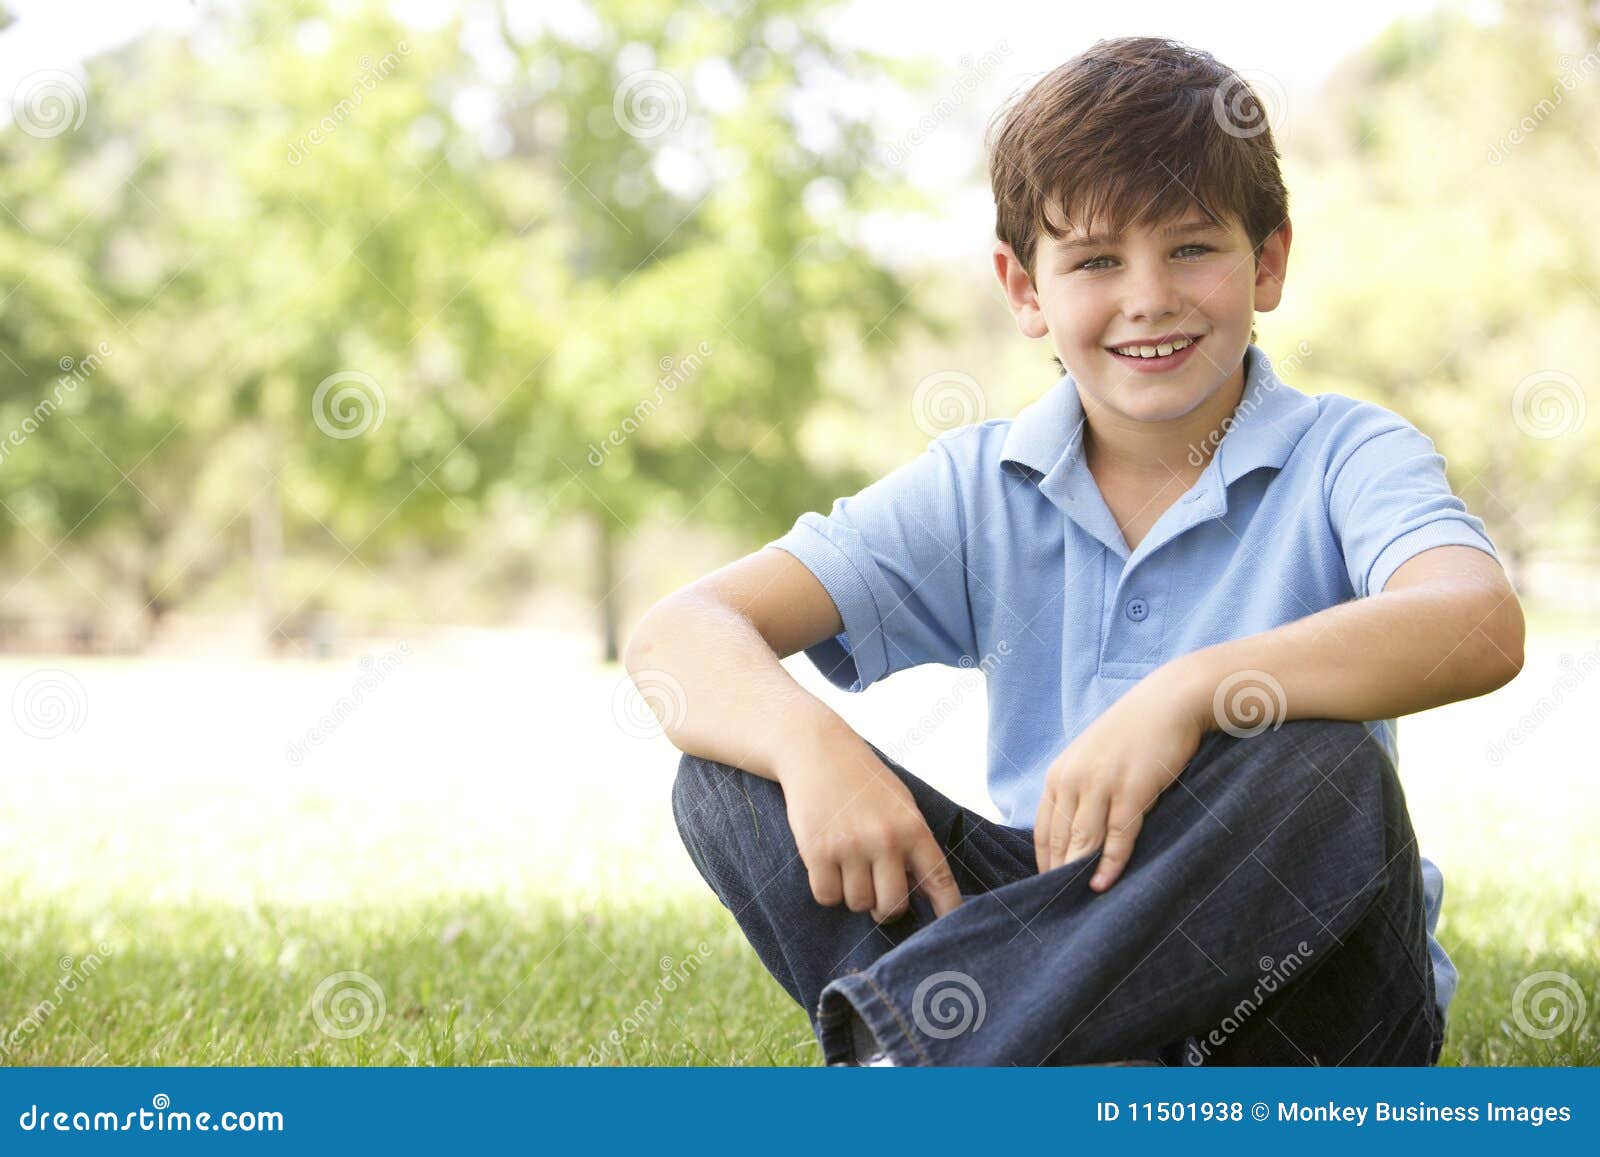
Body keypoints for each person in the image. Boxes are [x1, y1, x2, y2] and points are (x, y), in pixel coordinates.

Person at [624, 36, 1524, 1066]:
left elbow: (1478, 620)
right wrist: (807, 744)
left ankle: (926, 1067)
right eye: (1096, 259)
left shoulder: (1345, 454)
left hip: (1304, 997)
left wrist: (1191, 688)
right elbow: (678, 633)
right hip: (1055, 924)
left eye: (1191, 247)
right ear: (1024, 289)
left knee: (1322, 768)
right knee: (729, 772)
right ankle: (986, 1058)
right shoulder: (978, 483)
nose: (1147, 296)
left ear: (1267, 261)